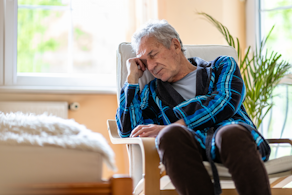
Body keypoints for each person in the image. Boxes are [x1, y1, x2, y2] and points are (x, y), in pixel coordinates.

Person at [116, 20, 271, 195]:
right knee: (169, 136)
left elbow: (224, 101)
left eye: (153, 54)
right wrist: (132, 80)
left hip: (235, 142)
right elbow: (131, 131)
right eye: (144, 61)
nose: (150, 66)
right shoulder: (153, 93)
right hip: (189, 149)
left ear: (175, 45)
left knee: (229, 132)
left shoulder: (221, 66)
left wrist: (175, 124)